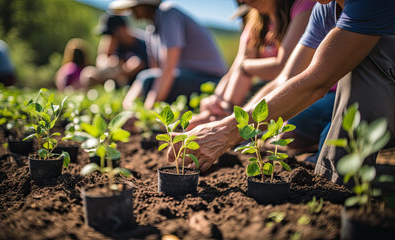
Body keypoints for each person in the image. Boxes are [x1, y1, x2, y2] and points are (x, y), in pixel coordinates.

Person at [168, 0, 395, 185]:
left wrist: (227, 133)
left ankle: (340, 183)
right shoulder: (323, 9)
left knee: (358, 67)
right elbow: (285, 79)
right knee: (283, 129)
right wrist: (229, 123)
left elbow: (317, 81)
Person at [190, 0, 315, 129]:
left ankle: (230, 125)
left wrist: (245, 67)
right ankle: (223, 119)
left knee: (287, 133)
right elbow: (236, 66)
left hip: (300, 87)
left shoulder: (302, 6)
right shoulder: (255, 19)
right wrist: (217, 100)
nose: (242, 1)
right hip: (269, 87)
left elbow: (284, 67)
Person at [109, 0, 228, 110]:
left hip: (211, 81)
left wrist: (149, 109)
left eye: (134, 7)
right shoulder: (151, 31)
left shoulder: (168, 14)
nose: (131, 12)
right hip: (186, 78)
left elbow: (167, 69)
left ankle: (130, 112)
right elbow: (156, 70)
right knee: (148, 80)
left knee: (147, 80)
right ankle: (127, 111)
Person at [79, 14, 148, 88]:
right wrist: (109, 64)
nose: (111, 38)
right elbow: (101, 59)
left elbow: (138, 66)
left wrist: (123, 70)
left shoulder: (144, 43)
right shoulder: (112, 41)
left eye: (113, 34)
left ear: (123, 28)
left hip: (135, 83)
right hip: (113, 78)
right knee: (88, 74)